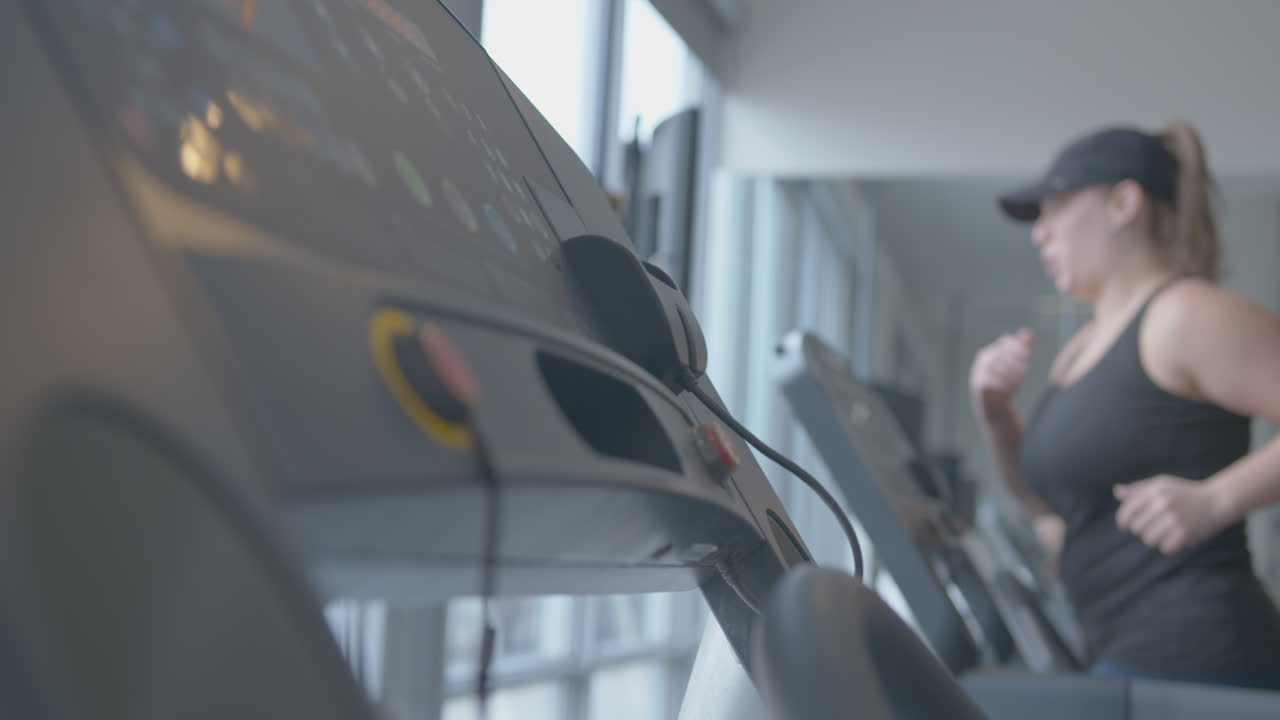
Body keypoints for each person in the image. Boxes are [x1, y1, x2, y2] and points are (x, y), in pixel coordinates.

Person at [970, 120, 1280, 689]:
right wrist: (994, 413)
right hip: (1118, 654)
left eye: (1056, 207)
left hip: (1198, 657)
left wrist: (1217, 499)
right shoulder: (1082, 348)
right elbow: (1048, 513)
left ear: (1123, 203)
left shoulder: (1183, 315)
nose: (1040, 233)